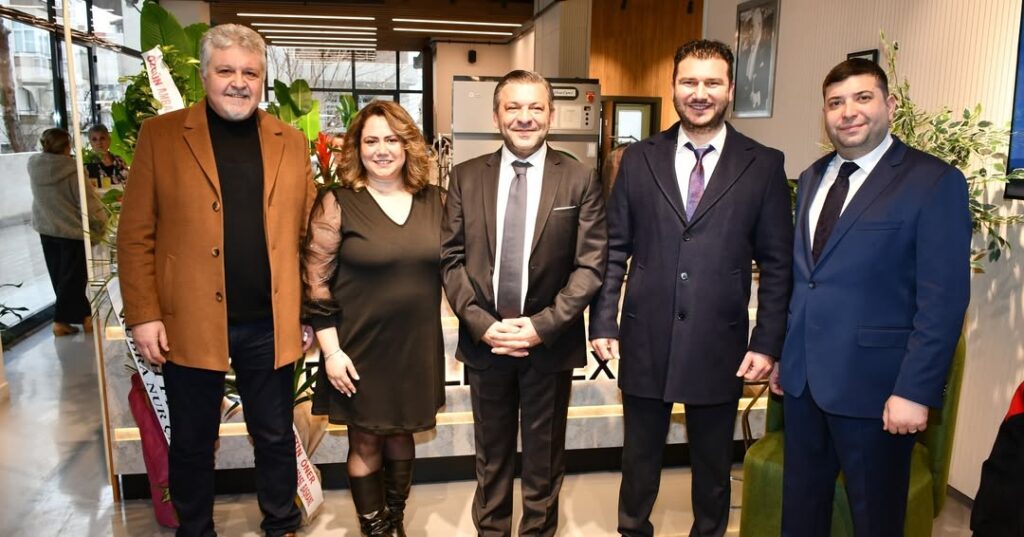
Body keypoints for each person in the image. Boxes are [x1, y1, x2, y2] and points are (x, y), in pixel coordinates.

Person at [589, 40, 793, 537]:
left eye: (712, 82)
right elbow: (614, 248)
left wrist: (767, 341)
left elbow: (777, 264)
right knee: (638, 462)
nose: (699, 93)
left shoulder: (764, 164)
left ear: (730, 89)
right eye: (689, 82)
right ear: (674, 86)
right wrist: (603, 320)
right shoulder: (637, 159)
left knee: (712, 468)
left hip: (720, 341)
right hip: (645, 335)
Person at [117, 24, 314, 537]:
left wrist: (310, 312)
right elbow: (135, 235)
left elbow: (308, 236)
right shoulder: (161, 136)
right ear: (205, 75)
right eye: (226, 70)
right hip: (188, 323)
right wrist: (143, 314)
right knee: (192, 440)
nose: (239, 82)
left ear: (262, 78)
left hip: (270, 321)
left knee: (274, 435)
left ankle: (282, 524)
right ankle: (196, 529)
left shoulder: (291, 142)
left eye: (250, 72)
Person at [770, 58, 971, 537]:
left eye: (863, 98)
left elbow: (943, 302)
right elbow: (807, 280)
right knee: (801, 515)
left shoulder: (933, 181)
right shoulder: (812, 177)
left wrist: (914, 391)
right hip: (803, 385)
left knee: (875, 521)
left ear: (890, 105)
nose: (848, 112)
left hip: (877, 393)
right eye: (835, 102)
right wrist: (783, 353)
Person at [440, 69, 607, 537]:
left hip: (549, 344)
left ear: (550, 115)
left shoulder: (579, 178)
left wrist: (541, 326)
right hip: (487, 343)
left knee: (543, 461)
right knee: (490, 458)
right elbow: (450, 259)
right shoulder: (465, 177)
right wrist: (481, 323)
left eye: (535, 107)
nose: (524, 117)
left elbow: (590, 266)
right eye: (513, 107)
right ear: (496, 116)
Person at [303, 100, 445, 537]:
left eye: (391, 139)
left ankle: (394, 521)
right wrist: (331, 353)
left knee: (403, 433)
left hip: (416, 346)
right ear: (356, 148)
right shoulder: (338, 202)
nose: (382, 150)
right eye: (371, 141)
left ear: (408, 146)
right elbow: (316, 283)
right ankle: (375, 529)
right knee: (365, 439)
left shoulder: (437, 201)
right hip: (358, 348)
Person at [27, 127, 108, 336]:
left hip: (47, 229)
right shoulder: (73, 170)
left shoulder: (34, 166)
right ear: (67, 146)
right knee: (74, 280)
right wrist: (101, 225)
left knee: (61, 278)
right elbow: (88, 203)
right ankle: (62, 321)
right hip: (72, 231)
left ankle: (81, 318)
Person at [85, 124, 128, 188]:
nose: (99, 142)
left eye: (102, 138)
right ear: (90, 143)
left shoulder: (119, 160)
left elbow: (129, 182)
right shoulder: (87, 163)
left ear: (109, 140)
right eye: (94, 139)